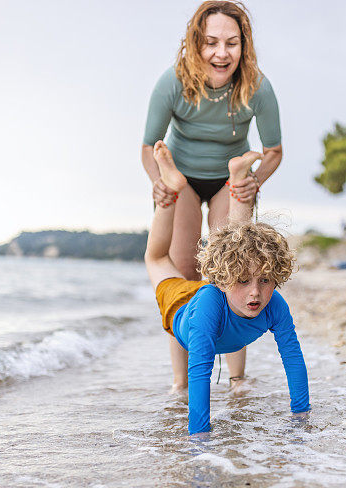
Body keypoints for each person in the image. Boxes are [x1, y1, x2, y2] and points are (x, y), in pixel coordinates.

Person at [142, 1, 284, 391]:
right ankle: (181, 384)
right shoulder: (172, 83)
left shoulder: (256, 86)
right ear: (195, 43)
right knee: (184, 272)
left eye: (232, 43)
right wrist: (160, 182)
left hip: (230, 178)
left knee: (233, 270)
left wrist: (255, 180)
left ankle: (237, 380)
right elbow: (148, 146)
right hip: (181, 178)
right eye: (211, 43)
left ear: (244, 46)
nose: (222, 53)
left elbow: (273, 150)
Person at [144, 140, 309, 434]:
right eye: (244, 282)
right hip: (182, 307)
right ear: (223, 280)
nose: (255, 292)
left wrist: (302, 416)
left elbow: (292, 357)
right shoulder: (210, 304)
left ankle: (237, 182)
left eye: (265, 280)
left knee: (242, 246)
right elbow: (200, 372)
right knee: (156, 257)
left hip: (216, 292)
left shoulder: (274, 304)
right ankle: (169, 189)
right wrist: (200, 439)